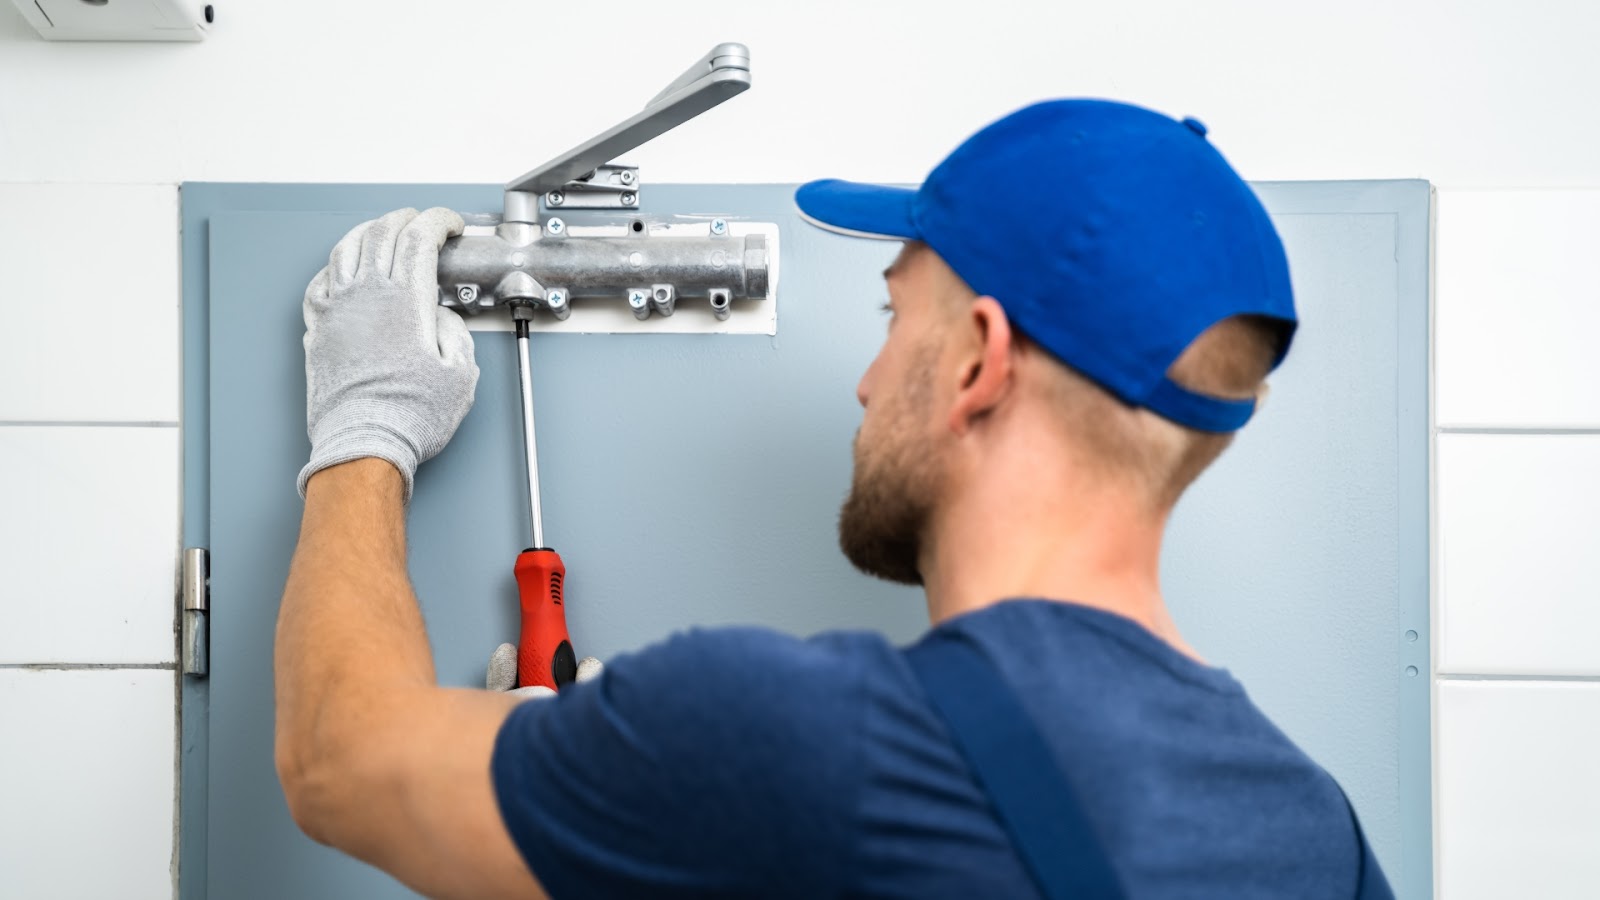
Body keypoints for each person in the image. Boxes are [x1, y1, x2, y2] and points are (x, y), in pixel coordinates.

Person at [274, 99, 1393, 899]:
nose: (866, 379)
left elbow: (337, 760)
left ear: (977, 364)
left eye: (892, 315)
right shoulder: (1310, 827)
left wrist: (366, 424)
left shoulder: (797, 737)